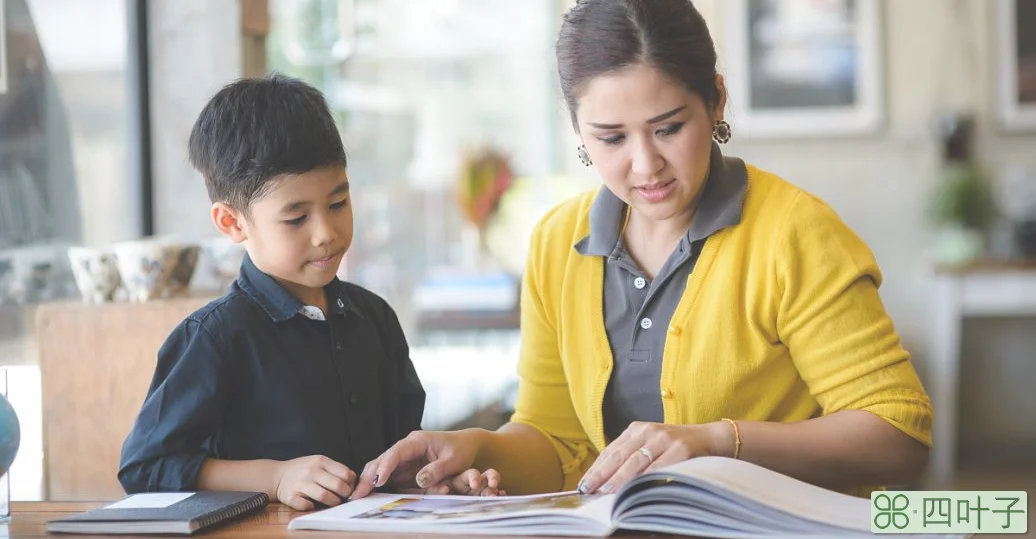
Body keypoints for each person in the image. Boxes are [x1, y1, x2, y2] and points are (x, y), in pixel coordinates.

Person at [349, 0, 933, 500]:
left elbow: (900, 435)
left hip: (792, 527)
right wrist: (475, 447)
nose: (645, 165)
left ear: (717, 103)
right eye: (610, 138)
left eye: (669, 128)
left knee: (996, 516)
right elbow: (557, 441)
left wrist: (715, 440)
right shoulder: (557, 243)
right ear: (578, 132)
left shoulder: (794, 233)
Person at [118, 74, 499, 510]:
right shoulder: (215, 337)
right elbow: (144, 467)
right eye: (296, 218)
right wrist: (275, 477)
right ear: (232, 223)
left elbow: (392, 460)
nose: (326, 233)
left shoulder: (375, 319)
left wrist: (426, 477)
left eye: (338, 204)